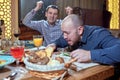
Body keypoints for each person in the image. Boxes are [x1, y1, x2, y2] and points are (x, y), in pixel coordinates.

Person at [48, 14, 120, 79]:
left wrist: (90, 55)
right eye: (63, 33)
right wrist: (54, 44)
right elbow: (61, 40)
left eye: (67, 33)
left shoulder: (98, 34)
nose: (64, 36)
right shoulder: (72, 36)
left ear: (80, 30)